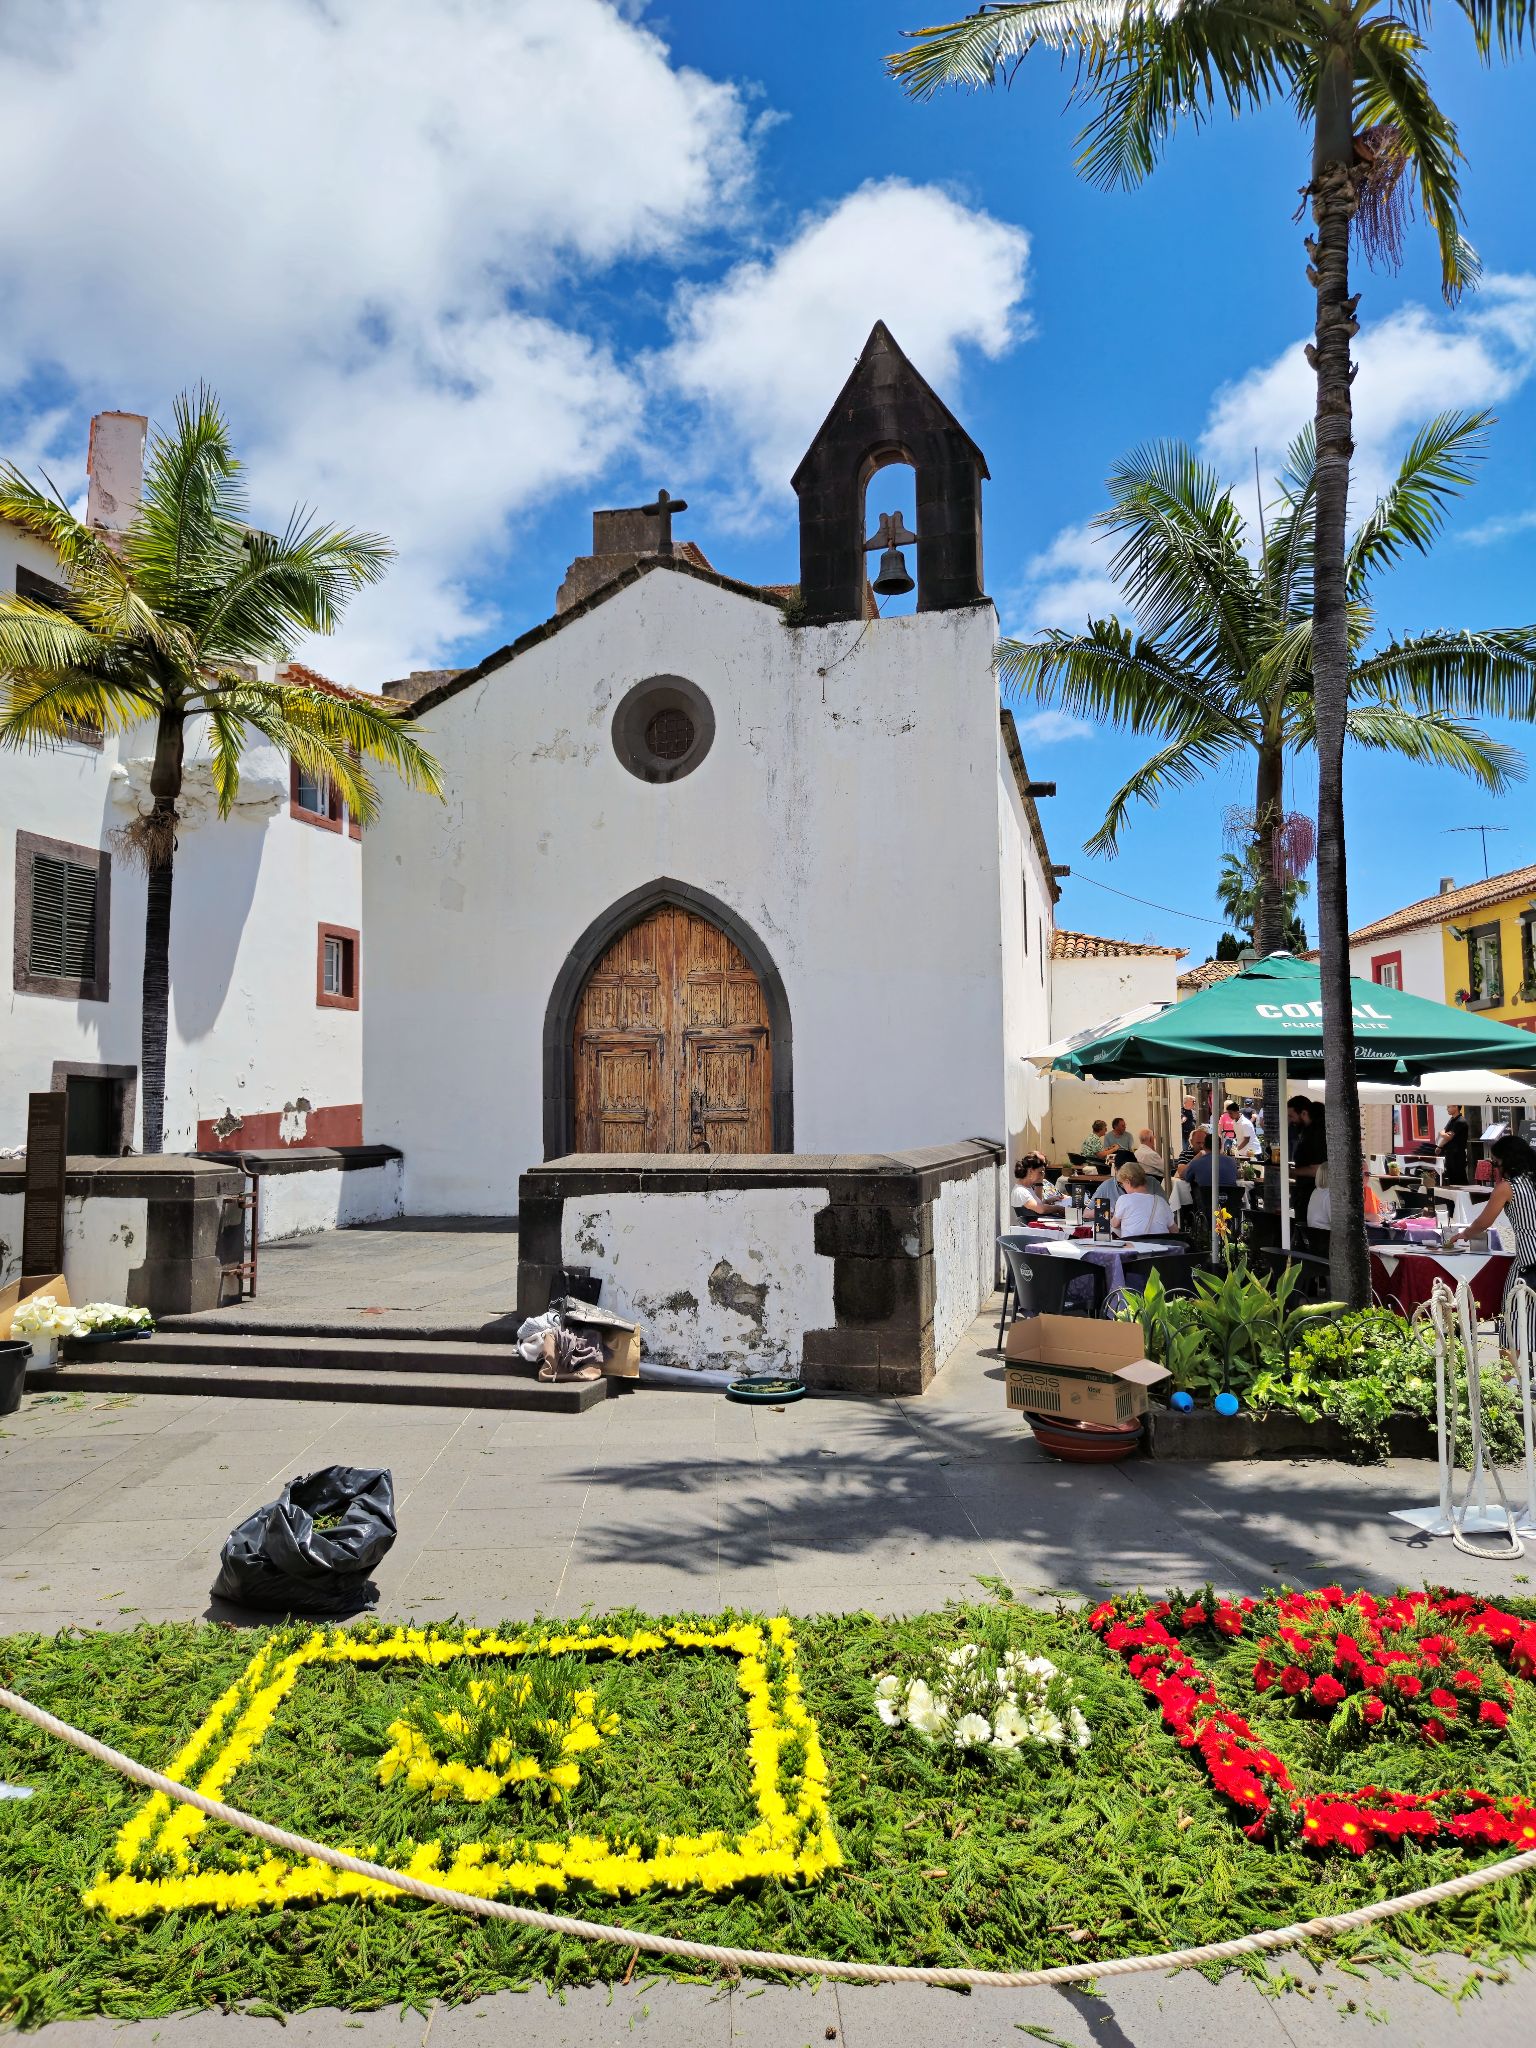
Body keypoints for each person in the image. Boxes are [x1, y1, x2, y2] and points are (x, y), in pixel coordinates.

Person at [1452, 1135, 1536, 1293]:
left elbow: (1484, 1223)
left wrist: (1464, 1234)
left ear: (1507, 1162)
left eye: (1495, 1164)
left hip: (1529, 1260)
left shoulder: (1507, 1187)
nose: (1495, 1169)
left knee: (1517, 1309)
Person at [1110, 1160, 1175, 1237]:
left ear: (1128, 1182)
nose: (1123, 1187)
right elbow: (1174, 1229)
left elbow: (1115, 1224)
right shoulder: (1161, 1201)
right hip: (1159, 1246)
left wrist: (1111, 1216)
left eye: (1122, 1184)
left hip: (1134, 1246)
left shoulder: (1124, 1199)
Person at [1011, 1154, 1065, 1220]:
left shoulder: (1027, 1188)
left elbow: (1037, 1204)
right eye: (1040, 1172)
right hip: (1035, 1227)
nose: (1043, 1175)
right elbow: (1041, 1209)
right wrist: (1058, 1208)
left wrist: (1048, 1201)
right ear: (1030, 1171)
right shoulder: (1021, 1191)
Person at [1437, 1104, 1472, 1186]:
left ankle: (1465, 1196)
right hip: (1449, 1153)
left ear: (1455, 1107)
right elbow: (1445, 1133)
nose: (1447, 1109)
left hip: (1457, 1155)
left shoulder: (1460, 1121)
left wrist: (1442, 1133)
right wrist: (1439, 1146)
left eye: (1449, 1107)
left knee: (1459, 1178)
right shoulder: (1452, 1120)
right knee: (1451, 1177)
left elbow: (1448, 1136)